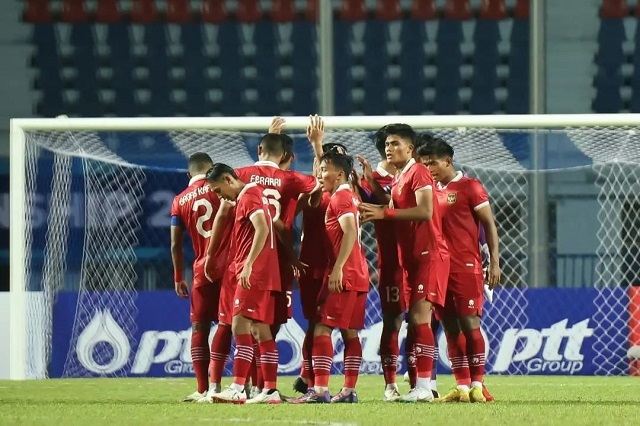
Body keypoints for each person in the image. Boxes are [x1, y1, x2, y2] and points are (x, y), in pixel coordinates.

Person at [360, 124, 450, 403]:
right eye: (387, 144)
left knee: (420, 320)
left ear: (410, 149)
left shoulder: (419, 171)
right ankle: (419, 385)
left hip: (428, 254)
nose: (389, 147)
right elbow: (392, 204)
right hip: (411, 259)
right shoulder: (401, 177)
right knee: (414, 320)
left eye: (396, 143)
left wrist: (383, 213)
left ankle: (423, 386)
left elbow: (425, 211)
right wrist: (373, 186)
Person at [416, 138, 500, 403]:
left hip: (466, 266)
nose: (429, 168)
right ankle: (462, 387)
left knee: (469, 323)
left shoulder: (470, 187)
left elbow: (489, 224)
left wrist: (495, 261)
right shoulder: (429, 190)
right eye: (425, 163)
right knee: (450, 328)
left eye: (433, 163)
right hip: (438, 268)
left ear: (448, 161)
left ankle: (478, 384)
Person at [205, 163, 282, 404]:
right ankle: (270, 390)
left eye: (218, 190)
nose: (219, 196)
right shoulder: (251, 194)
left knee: (239, 324)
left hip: (253, 273)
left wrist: (249, 263)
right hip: (262, 271)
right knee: (261, 329)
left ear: (228, 179)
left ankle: (238, 387)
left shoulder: (248, 195)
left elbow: (262, 228)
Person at [299, 151, 369, 403]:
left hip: (345, 274)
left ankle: (319, 390)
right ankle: (349, 391)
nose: (320, 173)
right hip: (357, 273)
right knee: (350, 332)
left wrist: (338, 268)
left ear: (339, 174)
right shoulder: (346, 196)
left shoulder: (340, 198)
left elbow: (349, 232)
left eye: (325, 168)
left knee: (321, 327)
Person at [170, 152, 226, 402]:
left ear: (188, 174)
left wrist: (177, 276)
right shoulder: (220, 187)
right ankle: (245, 386)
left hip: (202, 269)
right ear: (212, 169)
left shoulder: (179, 200)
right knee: (238, 326)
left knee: (200, 328)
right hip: (230, 267)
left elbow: (174, 244)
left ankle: (203, 389)